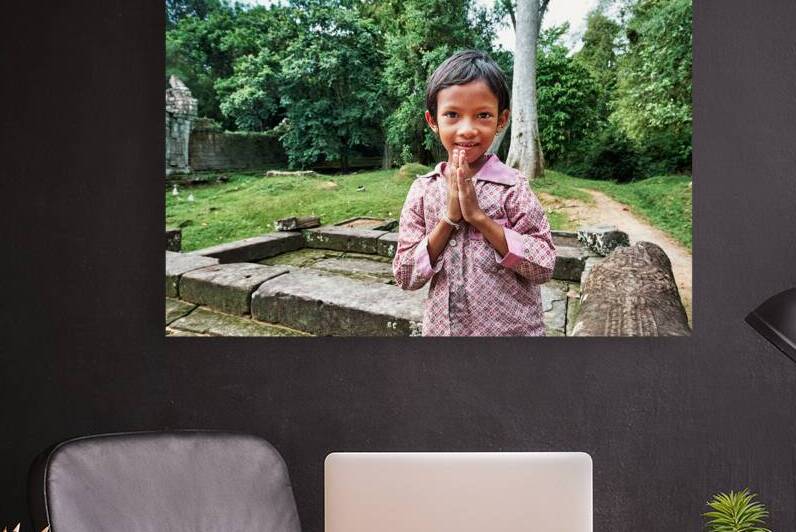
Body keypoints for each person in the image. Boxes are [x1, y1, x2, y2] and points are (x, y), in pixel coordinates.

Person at [392, 50, 556, 336]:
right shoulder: (423, 191)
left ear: (501, 120)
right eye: (452, 115)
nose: (467, 130)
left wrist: (479, 218)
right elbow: (405, 275)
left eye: (483, 115)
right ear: (432, 120)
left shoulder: (513, 188)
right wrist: (449, 220)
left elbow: (544, 265)